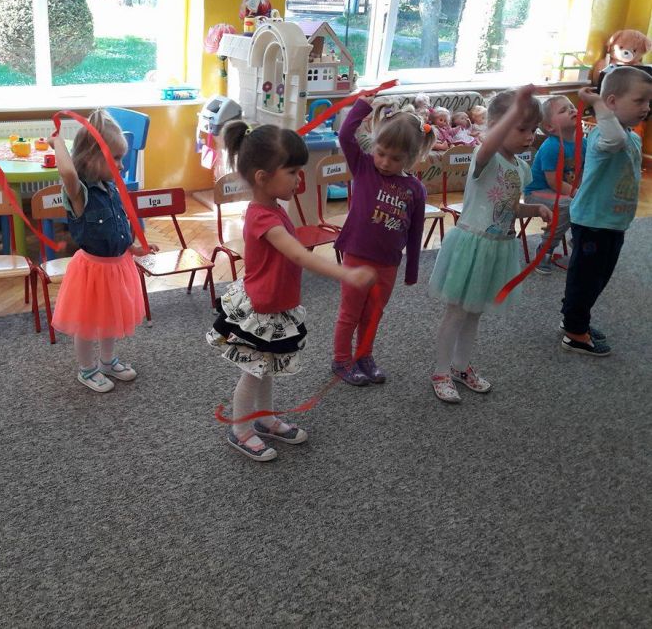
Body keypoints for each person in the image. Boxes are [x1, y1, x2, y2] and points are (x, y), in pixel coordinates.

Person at [206, 122, 375, 461]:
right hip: (262, 308)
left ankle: (265, 418)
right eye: (293, 172)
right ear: (262, 177)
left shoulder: (274, 207)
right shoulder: (262, 218)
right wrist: (346, 273)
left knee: (265, 367)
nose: (299, 179)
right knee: (253, 372)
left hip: (277, 304)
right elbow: (298, 254)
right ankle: (240, 430)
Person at [428, 86, 552, 403]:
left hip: (498, 248)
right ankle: (440, 371)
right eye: (521, 128)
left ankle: (460, 366)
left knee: (475, 313)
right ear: (497, 126)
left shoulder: (520, 168)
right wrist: (514, 111)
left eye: (532, 129)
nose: (529, 136)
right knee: (456, 313)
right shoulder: (485, 158)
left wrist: (535, 209)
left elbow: (509, 207)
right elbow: (489, 145)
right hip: (472, 246)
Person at [49, 110, 157, 393]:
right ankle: (87, 369)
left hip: (117, 266)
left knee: (111, 319)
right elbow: (67, 172)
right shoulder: (80, 193)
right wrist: (57, 141)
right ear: (91, 158)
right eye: (116, 158)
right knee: (87, 324)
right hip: (92, 271)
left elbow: (117, 226)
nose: (122, 166)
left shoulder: (111, 187)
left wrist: (133, 248)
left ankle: (107, 362)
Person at [331, 96, 434, 385]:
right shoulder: (364, 167)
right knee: (350, 313)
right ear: (374, 147)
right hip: (357, 255)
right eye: (381, 153)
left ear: (411, 158)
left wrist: (412, 270)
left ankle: (364, 355)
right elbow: (345, 134)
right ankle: (341, 360)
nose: (385, 162)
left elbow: (415, 232)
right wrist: (363, 105)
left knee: (373, 314)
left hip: (388, 263)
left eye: (395, 158)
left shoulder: (415, 189)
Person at [561, 67, 652, 355]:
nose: (646, 107)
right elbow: (615, 140)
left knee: (598, 277)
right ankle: (575, 331)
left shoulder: (631, 137)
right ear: (611, 101)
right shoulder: (604, 134)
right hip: (593, 221)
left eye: (648, 101)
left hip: (612, 222)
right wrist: (597, 103)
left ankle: (575, 317)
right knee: (586, 279)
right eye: (639, 100)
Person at [523, 95, 583, 274]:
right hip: (537, 192)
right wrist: (578, 194)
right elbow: (554, 182)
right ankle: (545, 249)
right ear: (550, 127)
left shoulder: (583, 143)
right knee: (569, 204)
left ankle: (580, 239)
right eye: (563, 110)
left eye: (571, 106)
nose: (571, 110)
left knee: (590, 201)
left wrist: (584, 193)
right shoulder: (552, 146)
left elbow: (582, 173)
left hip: (562, 190)